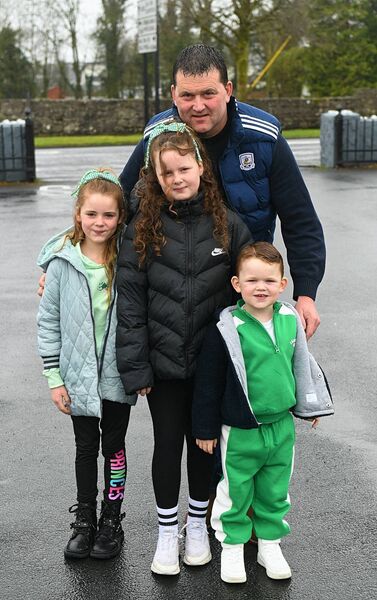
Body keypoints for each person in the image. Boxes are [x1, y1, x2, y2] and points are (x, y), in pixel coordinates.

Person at [116, 121, 251, 575]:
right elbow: (130, 306)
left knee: (204, 446)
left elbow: (250, 291)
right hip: (164, 364)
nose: (176, 178)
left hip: (211, 366)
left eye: (184, 168)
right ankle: (165, 531)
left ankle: (198, 526)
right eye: (166, 172)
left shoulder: (228, 225)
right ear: (154, 177)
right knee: (167, 444)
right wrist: (137, 370)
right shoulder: (142, 228)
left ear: (200, 168)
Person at [119, 43, 326, 340]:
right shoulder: (157, 137)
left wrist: (306, 293)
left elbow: (299, 219)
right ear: (173, 93)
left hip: (243, 294)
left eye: (208, 93)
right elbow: (116, 207)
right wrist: (68, 262)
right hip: (175, 299)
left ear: (227, 90)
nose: (198, 105)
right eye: (187, 95)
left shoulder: (264, 138)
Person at [192, 242, 333, 584]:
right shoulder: (227, 330)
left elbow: (302, 367)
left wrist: (310, 404)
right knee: (235, 491)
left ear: (282, 284)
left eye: (269, 281)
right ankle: (233, 549)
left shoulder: (289, 320)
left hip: (281, 426)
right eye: (252, 280)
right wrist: (205, 428)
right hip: (241, 429)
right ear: (237, 284)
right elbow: (209, 384)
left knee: (275, 490)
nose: (261, 288)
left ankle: (270, 544)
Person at [37, 169, 137, 561]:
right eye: (91, 214)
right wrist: (53, 377)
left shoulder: (128, 260)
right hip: (76, 377)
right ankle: (85, 519)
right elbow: (48, 323)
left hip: (117, 376)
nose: (100, 223)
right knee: (85, 449)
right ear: (78, 214)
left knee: (113, 448)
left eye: (108, 216)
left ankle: (112, 520)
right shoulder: (62, 265)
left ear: (120, 218)